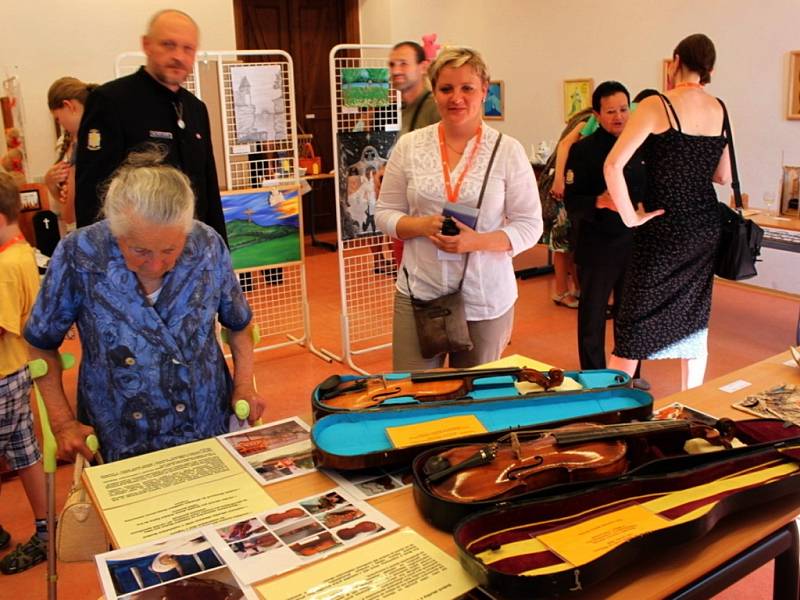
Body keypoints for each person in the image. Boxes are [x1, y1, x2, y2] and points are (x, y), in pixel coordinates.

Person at [24, 149, 266, 462]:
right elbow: (40, 345)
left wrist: (244, 385)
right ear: (115, 230)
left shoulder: (206, 245)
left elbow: (239, 325)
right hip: (120, 438)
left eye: (169, 250)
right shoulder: (80, 254)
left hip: (205, 426)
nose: (155, 265)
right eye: (139, 250)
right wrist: (62, 423)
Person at [376, 47, 542, 370]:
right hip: (419, 291)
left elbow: (529, 225)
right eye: (446, 88)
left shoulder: (508, 151)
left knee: (476, 398)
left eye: (467, 88)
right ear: (434, 92)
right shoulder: (410, 147)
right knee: (413, 397)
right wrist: (422, 226)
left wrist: (475, 242)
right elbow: (385, 213)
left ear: (484, 91)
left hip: (485, 296)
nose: (457, 98)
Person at [602, 34, 731, 390]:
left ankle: (610, 407)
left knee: (635, 318)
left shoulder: (657, 105)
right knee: (694, 316)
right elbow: (723, 175)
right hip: (704, 227)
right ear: (710, 71)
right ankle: (693, 402)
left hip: (663, 226)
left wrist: (629, 216)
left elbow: (613, 165)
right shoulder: (720, 108)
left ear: (675, 61)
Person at [74, 9, 227, 243]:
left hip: (191, 254)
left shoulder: (196, 108)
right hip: (138, 256)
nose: (178, 56)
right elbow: (93, 193)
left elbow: (208, 189)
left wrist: (220, 252)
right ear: (146, 45)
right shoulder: (111, 101)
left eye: (188, 48)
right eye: (168, 44)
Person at [564, 81, 646, 374]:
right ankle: (593, 375)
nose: (619, 117)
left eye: (624, 109)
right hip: (597, 245)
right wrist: (599, 201)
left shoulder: (640, 144)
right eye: (611, 111)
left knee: (631, 314)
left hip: (634, 245)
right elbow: (572, 201)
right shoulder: (583, 151)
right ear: (597, 115)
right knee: (593, 316)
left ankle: (631, 374)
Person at [0, 171, 48, 574]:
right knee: (25, 453)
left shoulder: (3, 265)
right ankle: (46, 529)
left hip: (2, 375)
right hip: (17, 369)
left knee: (20, 452)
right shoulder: (22, 252)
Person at [388, 41, 442, 266]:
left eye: (404, 64)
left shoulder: (434, 108)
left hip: (432, 219)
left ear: (423, 67)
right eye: (392, 64)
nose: (396, 70)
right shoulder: (403, 111)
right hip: (409, 219)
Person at [44, 77, 98, 234]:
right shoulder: (64, 143)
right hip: (75, 228)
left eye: (58, 118)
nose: (60, 124)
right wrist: (51, 183)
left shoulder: (92, 144)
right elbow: (64, 204)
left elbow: (70, 215)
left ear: (69, 106)